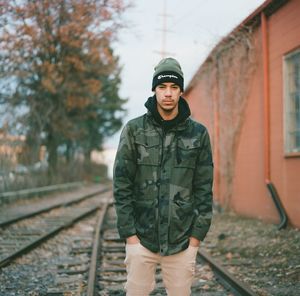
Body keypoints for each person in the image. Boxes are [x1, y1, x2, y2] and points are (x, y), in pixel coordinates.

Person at [113, 57, 213, 296]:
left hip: (181, 242)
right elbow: (122, 184)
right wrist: (130, 237)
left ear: (180, 91)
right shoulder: (134, 130)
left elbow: (204, 189)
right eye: (162, 87)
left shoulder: (198, 134)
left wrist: (195, 240)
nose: (168, 93)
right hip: (141, 241)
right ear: (154, 90)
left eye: (174, 87)